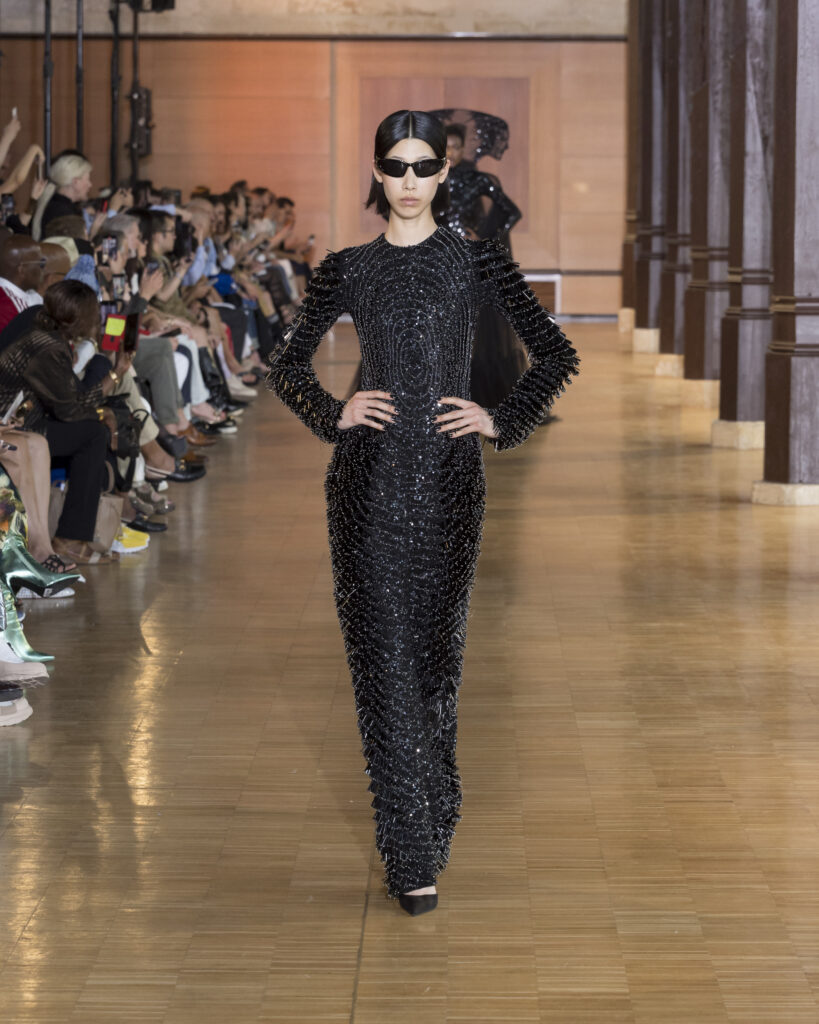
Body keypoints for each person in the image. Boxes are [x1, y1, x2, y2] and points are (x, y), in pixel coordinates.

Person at [267, 109, 579, 916]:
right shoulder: (347, 268)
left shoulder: (476, 262)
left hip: (448, 482)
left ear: (443, 174)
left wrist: (498, 419)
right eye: (395, 166)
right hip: (365, 483)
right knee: (384, 668)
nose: (408, 181)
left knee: (435, 667)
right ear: (378, 173)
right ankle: (410, 853)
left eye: (422, 167)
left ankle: (434, 808)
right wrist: (332, 410)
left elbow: (556, 354)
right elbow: (286, 361)